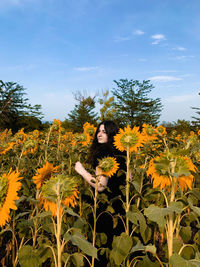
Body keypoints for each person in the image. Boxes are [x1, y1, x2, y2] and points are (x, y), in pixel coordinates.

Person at [75, 120, 126, 266]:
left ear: (111, 134)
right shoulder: (121, 153)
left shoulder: (103, 153)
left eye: (104, 131)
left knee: (98, 250)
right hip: (119, 206)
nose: (100, 134)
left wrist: (81, 171)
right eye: (99, 131)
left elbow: (100, 186)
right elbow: (128, 178)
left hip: (104, 207)